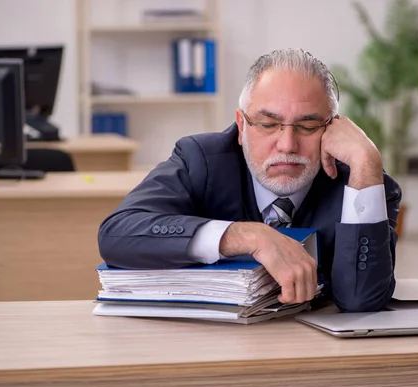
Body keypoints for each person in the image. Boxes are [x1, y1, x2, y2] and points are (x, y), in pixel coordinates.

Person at [98, 48, 402, 312]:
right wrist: (247, 237)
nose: (287, 145)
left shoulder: (364, 183)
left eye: (308, 126)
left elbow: (362, 299)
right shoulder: (199, 159)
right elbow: (117, 233)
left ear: (333, 129)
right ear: (241, 126)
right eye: (268, 124)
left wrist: (366, 163)